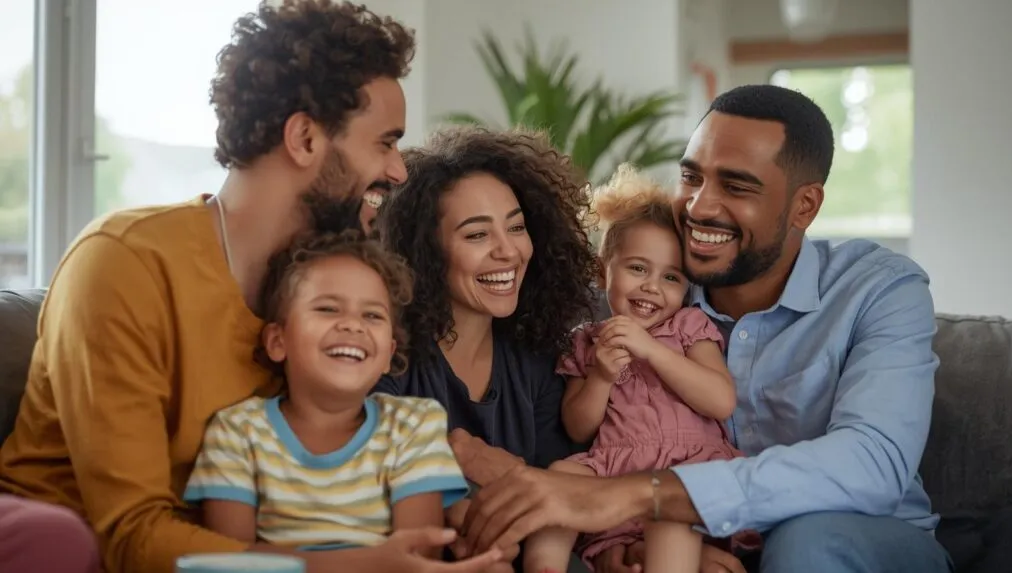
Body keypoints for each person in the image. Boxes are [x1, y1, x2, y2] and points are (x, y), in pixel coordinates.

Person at [0, 2, 500, 572]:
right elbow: (131, 540)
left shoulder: (331, 295)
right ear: (305, 138)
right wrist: (359, 564)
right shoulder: (124, 263)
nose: (399, 171)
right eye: (384, 142)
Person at [457, 84, 954, 573]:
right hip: (695, 539)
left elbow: (873, 462)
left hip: (857, 540)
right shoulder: (639, 299)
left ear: (805, 206)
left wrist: (645, 495)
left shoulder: (879, 289)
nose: (699, 207)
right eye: (691, 178)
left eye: (736, 187)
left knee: (807, 541)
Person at [184, 230, 496, 565]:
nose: (352, 325)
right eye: (328, 308)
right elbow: (231, 561)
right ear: (278, 341)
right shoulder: (237, 432)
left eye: (372, 315)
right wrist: (368, 563)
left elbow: (418, 557)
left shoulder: (413, 426)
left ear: (389, 354)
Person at [370, 126, 600, 567]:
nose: (508, 251)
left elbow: (564, 503)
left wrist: (497, 467)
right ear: (425, 252)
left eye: (516, 227)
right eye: (477, 235)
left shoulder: (539, 361)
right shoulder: (389, 358)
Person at [523, 164, 757, 573]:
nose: (652, 287)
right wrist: (599, 377)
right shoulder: (587, 340)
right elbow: (578, 428)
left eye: (671, 277)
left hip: (686, 469)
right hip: (615, 469)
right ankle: (546, 566)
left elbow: (720, 401)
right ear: (601, 272)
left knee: (674, 510)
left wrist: (652, 350)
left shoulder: (688, 327)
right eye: (637, 268)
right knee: (559, 476)